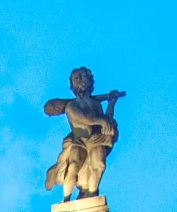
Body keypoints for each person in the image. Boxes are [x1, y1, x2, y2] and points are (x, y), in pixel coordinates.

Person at [43, 67, 123, 201]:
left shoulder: (96, 105)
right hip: (79, 141)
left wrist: (111, 103)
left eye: (83, 76)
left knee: (100, 165)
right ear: (72, 85)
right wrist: (101, 121)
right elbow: (83, 118)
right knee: (73, 166)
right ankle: (66, 199)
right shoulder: (71, 105)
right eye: (76, 78)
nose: (80, 79)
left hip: (95, 140)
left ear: (90, 81)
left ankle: (91, 194)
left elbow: (106, 122)